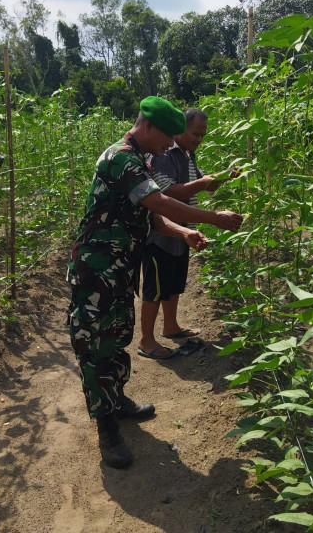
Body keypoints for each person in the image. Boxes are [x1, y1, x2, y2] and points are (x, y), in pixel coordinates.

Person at [66, 96, 242, 469]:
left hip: (119, 268)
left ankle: (118, 401)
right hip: (97, 269)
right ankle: (106, 426)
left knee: (116, 337)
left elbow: (153, 218)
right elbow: (158, 201)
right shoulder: (120, 158)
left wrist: (183, 233)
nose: (170, 145)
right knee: (96, 345)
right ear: (147, 126)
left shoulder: (142, 159)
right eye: (167, 137)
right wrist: (211, 218)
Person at [138, 108, 238, 359]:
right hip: (161, 233)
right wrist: (205, 189)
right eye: (195, 134)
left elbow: (202, 183)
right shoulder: (164, 153)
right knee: (155, 288)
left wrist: (223, 178)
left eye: (203, 136)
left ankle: (170, 326)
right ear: (180, 128)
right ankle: (145, 340)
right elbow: (167, 193)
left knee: (174, 283)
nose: (199, 139)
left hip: (183, 231)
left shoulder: (187, 154)